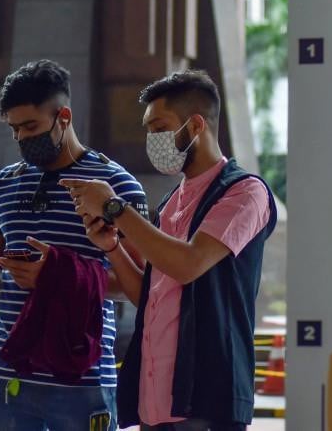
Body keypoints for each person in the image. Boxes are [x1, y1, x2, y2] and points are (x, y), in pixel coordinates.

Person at [60, 70, 277, 431]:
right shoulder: (172, 201)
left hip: (205, 400)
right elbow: (148, 293)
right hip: (155, 402)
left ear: (195, 126)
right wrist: (111, 246)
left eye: (159, 128)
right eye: (148, 129)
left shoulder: (244, 193)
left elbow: (189, 264)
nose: (151, 140)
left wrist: (115, 208)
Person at [0, 60, 148, 430]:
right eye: (14, 130)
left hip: (83, 373)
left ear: (63, 116)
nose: (22, 139)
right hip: (8, 370)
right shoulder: (2, 184)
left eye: (31, 127)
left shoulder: (115, 186)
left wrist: (56, 276)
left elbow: (137, 286)